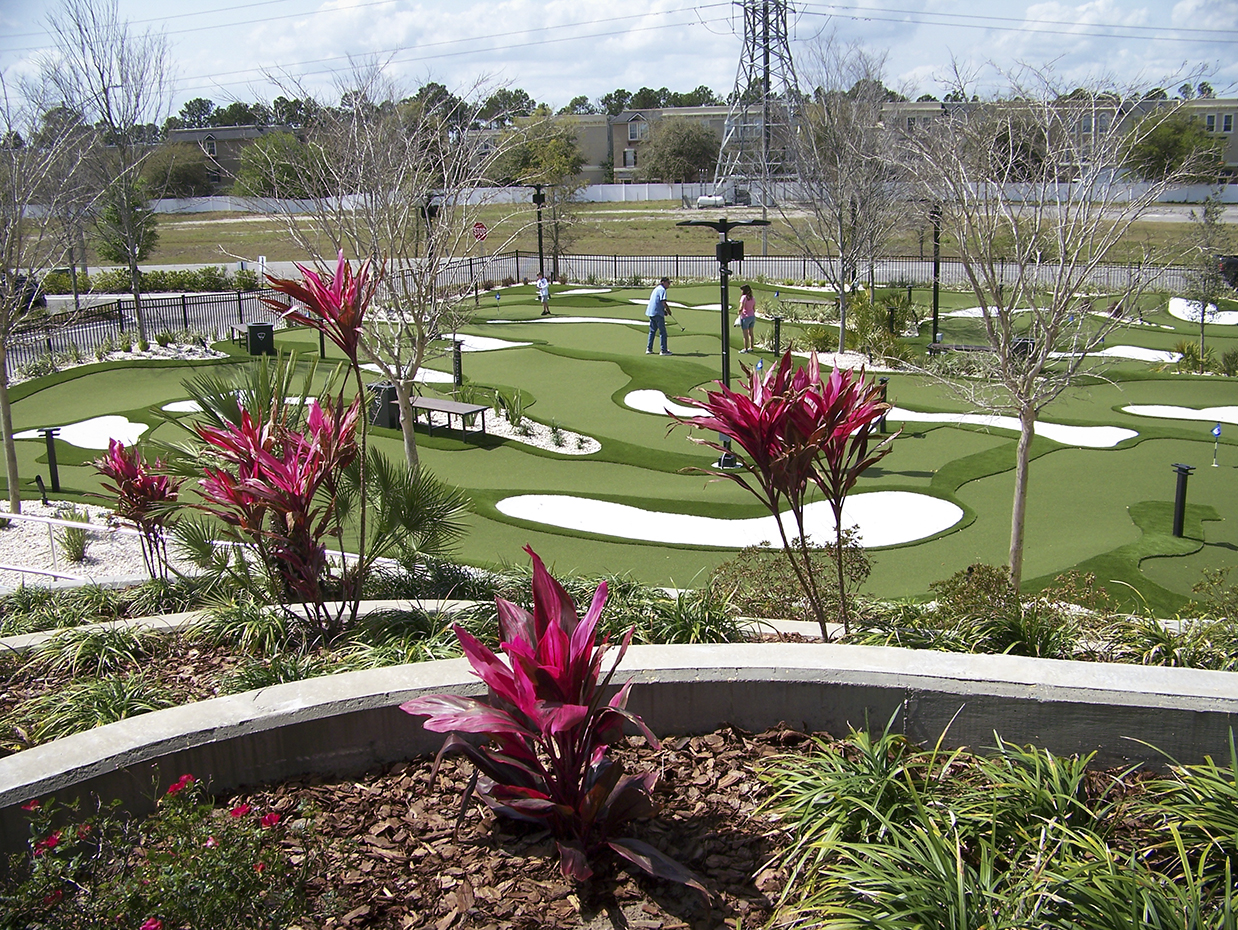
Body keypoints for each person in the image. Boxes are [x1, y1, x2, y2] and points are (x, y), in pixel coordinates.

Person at [645, 277, 672, 355]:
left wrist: (663, 311)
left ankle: (649, 349)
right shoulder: (662, 290)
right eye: (668, 283)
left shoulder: (657, 289)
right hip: (657, 313)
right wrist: (668, 310)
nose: (669, 285)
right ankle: (663, 350)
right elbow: (663, 302)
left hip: (651, 312)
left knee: (652, 331)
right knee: (663, 332)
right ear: (663, 282)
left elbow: (657, 302)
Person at [738, 283, 757, 353]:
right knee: (751, 333)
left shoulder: (743, 298)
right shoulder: (753, 298)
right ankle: (751, 347)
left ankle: (745, 348)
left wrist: (739, 313)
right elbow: (754, 308)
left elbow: (741, 307)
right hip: (752, 316)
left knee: (745, 334)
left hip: (745, 317)